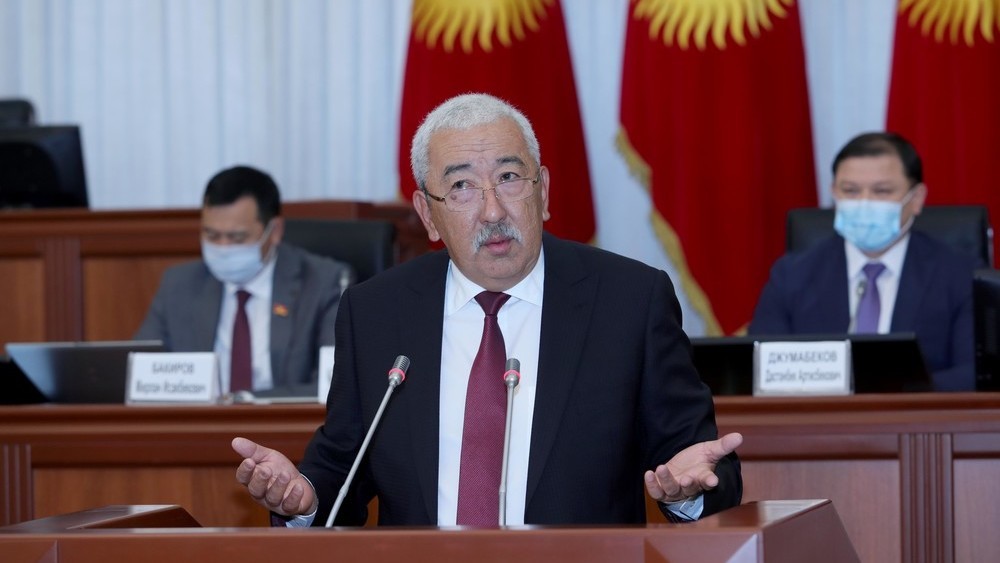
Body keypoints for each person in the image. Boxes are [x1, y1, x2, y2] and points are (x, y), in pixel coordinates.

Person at [232, 93, 742, 527]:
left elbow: (696, 459)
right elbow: (343, 465)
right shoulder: (376, 312)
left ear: (543, 191)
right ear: (428, 214)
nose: (493, 210)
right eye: (461, 187)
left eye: (509, 177)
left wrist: (689, 491)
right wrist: (304, 497)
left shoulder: (629, 301)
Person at [749, 132, 976, 391]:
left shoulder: (961, 276)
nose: (864, 203)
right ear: (834, 193)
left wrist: (891, 393)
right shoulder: (791, 276)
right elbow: (760, 372)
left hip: (920, 415)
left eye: (882, 191)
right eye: (851, 191)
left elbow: (975, 374)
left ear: (916, 198)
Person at [135, 165, 353, 395]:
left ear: (275, 231)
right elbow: (139, 374)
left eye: (237, 237)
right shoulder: (179, 285)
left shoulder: (323, 283)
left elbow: (333, 384)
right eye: (211, 235)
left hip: (279, 416)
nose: (223, 247)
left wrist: (243, 401)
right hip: (200, 417)